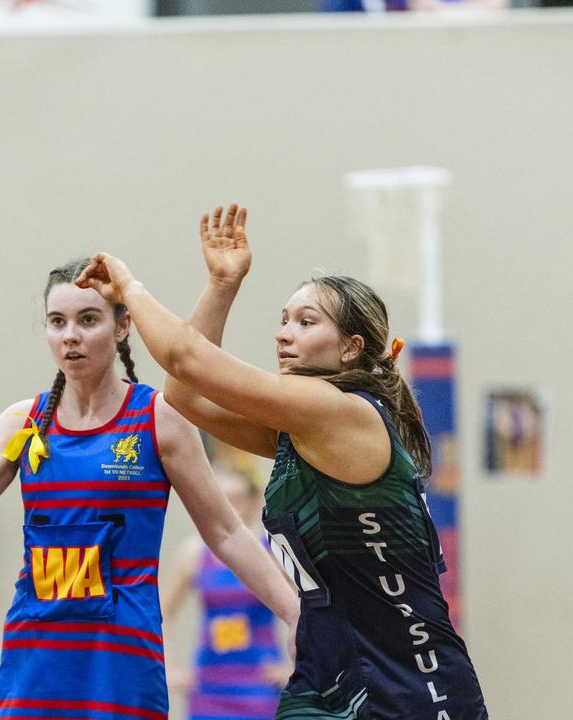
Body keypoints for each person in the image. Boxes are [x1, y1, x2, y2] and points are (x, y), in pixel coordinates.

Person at [75, 204, 488, 719]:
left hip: (411, 685)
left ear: (351, 348)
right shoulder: (303, 432)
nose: (283, 333)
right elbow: (184, 395)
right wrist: (222, 285)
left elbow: (185, 359)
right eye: (283, 320)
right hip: (326, 676)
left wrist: (130, 289)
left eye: (306, 322)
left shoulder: (342, 414)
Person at [0, 260, 299, 720]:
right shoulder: (23, 422)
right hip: (36, 654)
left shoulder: (158, 419)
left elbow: (225, 531)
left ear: (123, 326)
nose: (70, 335)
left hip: (121, 658)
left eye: (88, 319)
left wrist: (296, 614)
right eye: (57, 322)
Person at [161, 449, 290, 720]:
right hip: (209, 683)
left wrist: (295, 667)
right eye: (223, 500)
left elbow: (310, 607)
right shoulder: (194, 553)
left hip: (260, 683)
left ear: (254, 502)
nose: (231, 509)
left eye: (238, 500)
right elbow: (163, 614)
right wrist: (171, 668)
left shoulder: (274, 553)